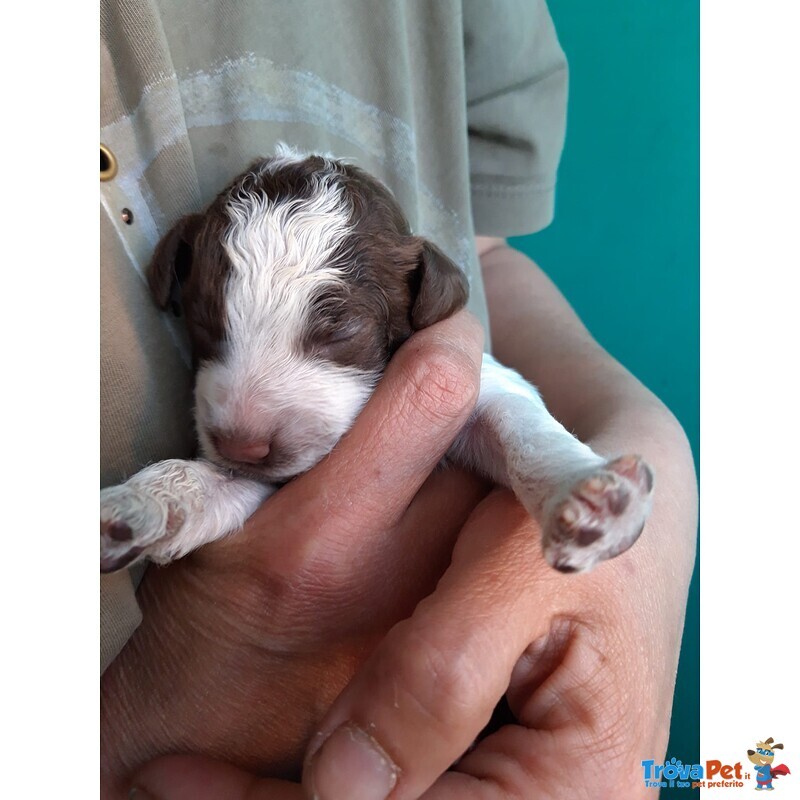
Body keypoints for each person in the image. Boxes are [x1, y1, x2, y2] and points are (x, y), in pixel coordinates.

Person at [100, 1, 698, 798]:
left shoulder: (434, 303)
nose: (241, 426)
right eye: (215, 332)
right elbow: (235, 489)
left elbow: (493, 336)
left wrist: (637, 461)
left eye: (331, 333)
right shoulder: (246, 423)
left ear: (422, 294)